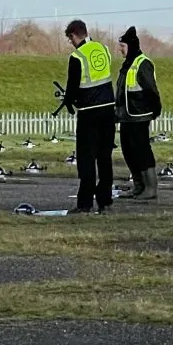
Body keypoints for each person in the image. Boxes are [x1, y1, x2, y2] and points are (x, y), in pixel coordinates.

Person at [60, 20, 116, 214]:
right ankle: (105, 201)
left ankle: (85, 203)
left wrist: (68, 101)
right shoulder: (103, 49)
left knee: (87, 159)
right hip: (109, 109)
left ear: (74, 35)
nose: (70, 43)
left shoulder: (77, 56)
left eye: (70, 39)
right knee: (105, 157)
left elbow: (73, 85)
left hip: (89, 113)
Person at [114, 26, 162, 200]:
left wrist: (155, 108)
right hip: (126, 116)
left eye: (122, 46)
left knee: (141, 150)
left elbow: (151, 89)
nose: (120, 50)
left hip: (139, 115)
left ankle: (150, 187)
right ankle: (138, 185)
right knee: (128, 150)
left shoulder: (143, 63)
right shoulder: (127, 65)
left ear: (131, 46)